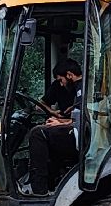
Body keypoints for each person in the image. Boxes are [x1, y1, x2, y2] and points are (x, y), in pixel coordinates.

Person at [26, 60, 82, 195]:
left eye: (61, 80)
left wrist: (61, 123)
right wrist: (57, 118)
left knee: (38, 133)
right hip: (73, 127)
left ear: (69, 75)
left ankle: (39, 190)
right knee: (46, 130)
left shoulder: (84, 88)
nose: (60, 84)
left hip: (81, 134)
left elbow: (84, 119)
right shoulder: (76, 87)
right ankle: (52, 180)